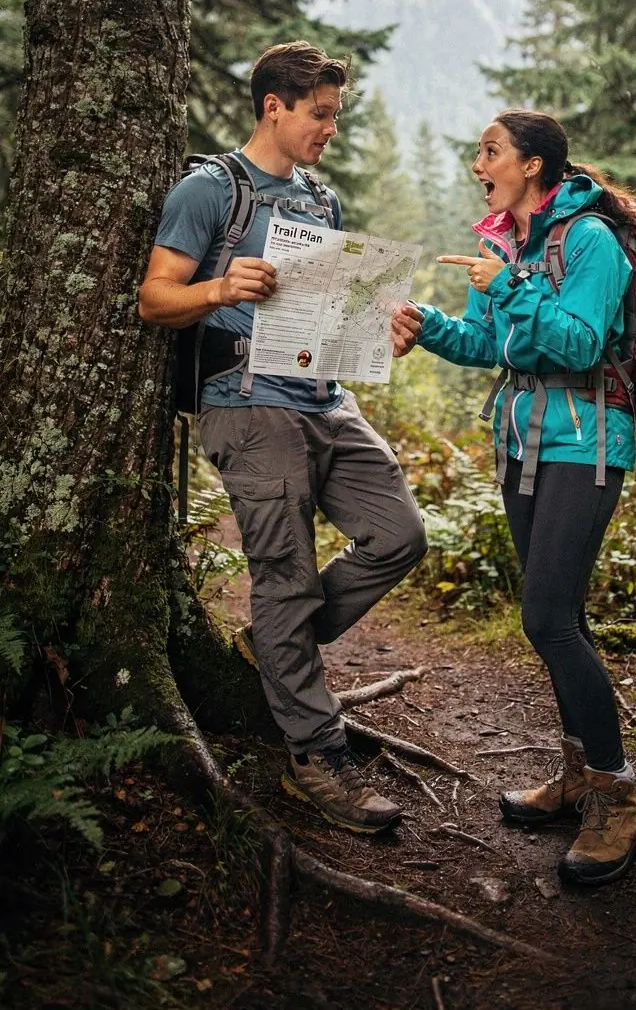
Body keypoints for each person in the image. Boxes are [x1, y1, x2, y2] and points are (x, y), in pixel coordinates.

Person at [139, 41, 427, 835]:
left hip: (325, 398)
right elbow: (154, 299)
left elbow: (327, 318)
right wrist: (221, 286)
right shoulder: (211, 190)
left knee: (400, 535)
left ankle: (278, 646)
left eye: (334, 115)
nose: (329, 129)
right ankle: (313, 757)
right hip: (246, 403)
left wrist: (381, 328)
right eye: (321, 114)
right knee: (286, 577)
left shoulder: (318, 201)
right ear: (275, 106)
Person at [391, 109, 636, 886]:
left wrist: (509, 284)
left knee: (545, 618)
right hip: (520, 442)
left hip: (586, 442)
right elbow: (487, 343)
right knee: (558, 619)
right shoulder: (503, 240)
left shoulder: (591, 242)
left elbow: (577, 342)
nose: (480, 162)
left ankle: (620, 801)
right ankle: (579, 778)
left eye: (491, 150)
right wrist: (428, 323)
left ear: (533, 165)